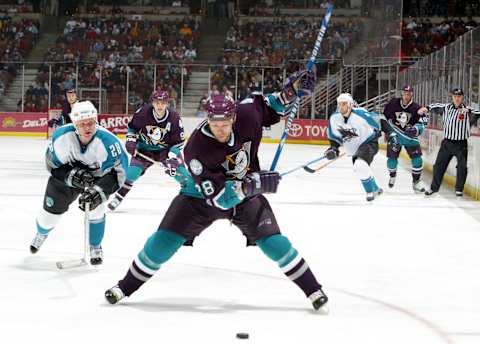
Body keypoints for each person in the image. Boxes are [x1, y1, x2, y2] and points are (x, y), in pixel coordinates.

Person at [104, 71, 329, 312]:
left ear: (233, 117)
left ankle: (314, 289)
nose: (220, 129)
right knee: (162, 243)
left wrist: (293, 90)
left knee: (274, 243)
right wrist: (250, 185)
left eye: (225, 123)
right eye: (215, 124)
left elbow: (272, 104)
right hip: (199, 198)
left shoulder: (248, 113)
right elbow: (220, 199)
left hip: (247, 192)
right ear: (207, 119)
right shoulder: (195, 150)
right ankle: (124, 287)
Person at [30, 101, 128, 265]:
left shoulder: (110, 143)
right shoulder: (61, 137)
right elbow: (51, 165)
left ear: (96, 120)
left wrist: (99, 190)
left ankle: (95, 246)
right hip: (66, 177)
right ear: (74, 124)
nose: (87, 127)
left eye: (90, 122)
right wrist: (70, 175)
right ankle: (42, 233)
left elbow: (120, 173)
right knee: (49, 216)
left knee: (96, 209)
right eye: (82, 124)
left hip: (97, 178)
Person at [107, 90, 185, 211]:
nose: (160, 106)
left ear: (167, 104)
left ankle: (192, 202)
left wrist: (173, 158)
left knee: (183, 177)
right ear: (153, 103)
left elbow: (178, 142)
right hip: (144, 150)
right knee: (131, 174)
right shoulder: (143, 112)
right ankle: (118, 197)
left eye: (163, 103)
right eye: (157, 102)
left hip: (166, 152)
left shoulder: (174, 118)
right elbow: (132, 129)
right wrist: (131, 140)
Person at [326, 93, 399, 201]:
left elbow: (380, 120)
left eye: (344, 104)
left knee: (359, 165)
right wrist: (333, 148)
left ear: (350, 105)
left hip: (369, 143)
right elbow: (334, 138)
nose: (341, 107)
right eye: (339, 104)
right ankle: (376, 188)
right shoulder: (334, 118)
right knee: (360, 168)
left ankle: (370, 191)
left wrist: (391, 134)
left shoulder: (361, 114)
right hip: (355, 149)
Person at [425, 88, 480, 197]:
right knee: (438, 166)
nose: (457, 98)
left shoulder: (468, 110)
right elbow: (434, 106)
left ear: (462, 97)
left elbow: (478, 112)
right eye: (455, 96)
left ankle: (459, 190)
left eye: (459, 96)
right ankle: (433, 188)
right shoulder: (446, 108)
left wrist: (468, 111)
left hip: (461, 144)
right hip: (447, 143)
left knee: (462, 167)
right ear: (452, 97)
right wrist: (426, 108)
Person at [383, 85, 429, 192]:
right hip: (395, 136)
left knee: (417, 160)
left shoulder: (417, 108)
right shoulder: (393, 103)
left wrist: (416, 129)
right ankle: (392, 176)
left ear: (412, 94)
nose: (406, 95)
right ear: (402, 93)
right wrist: (386, 132)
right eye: (404, 93)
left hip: (410, 138)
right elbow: (384, 117)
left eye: (409, 93)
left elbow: (423, 123)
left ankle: (416, 182)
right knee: (391, 160)